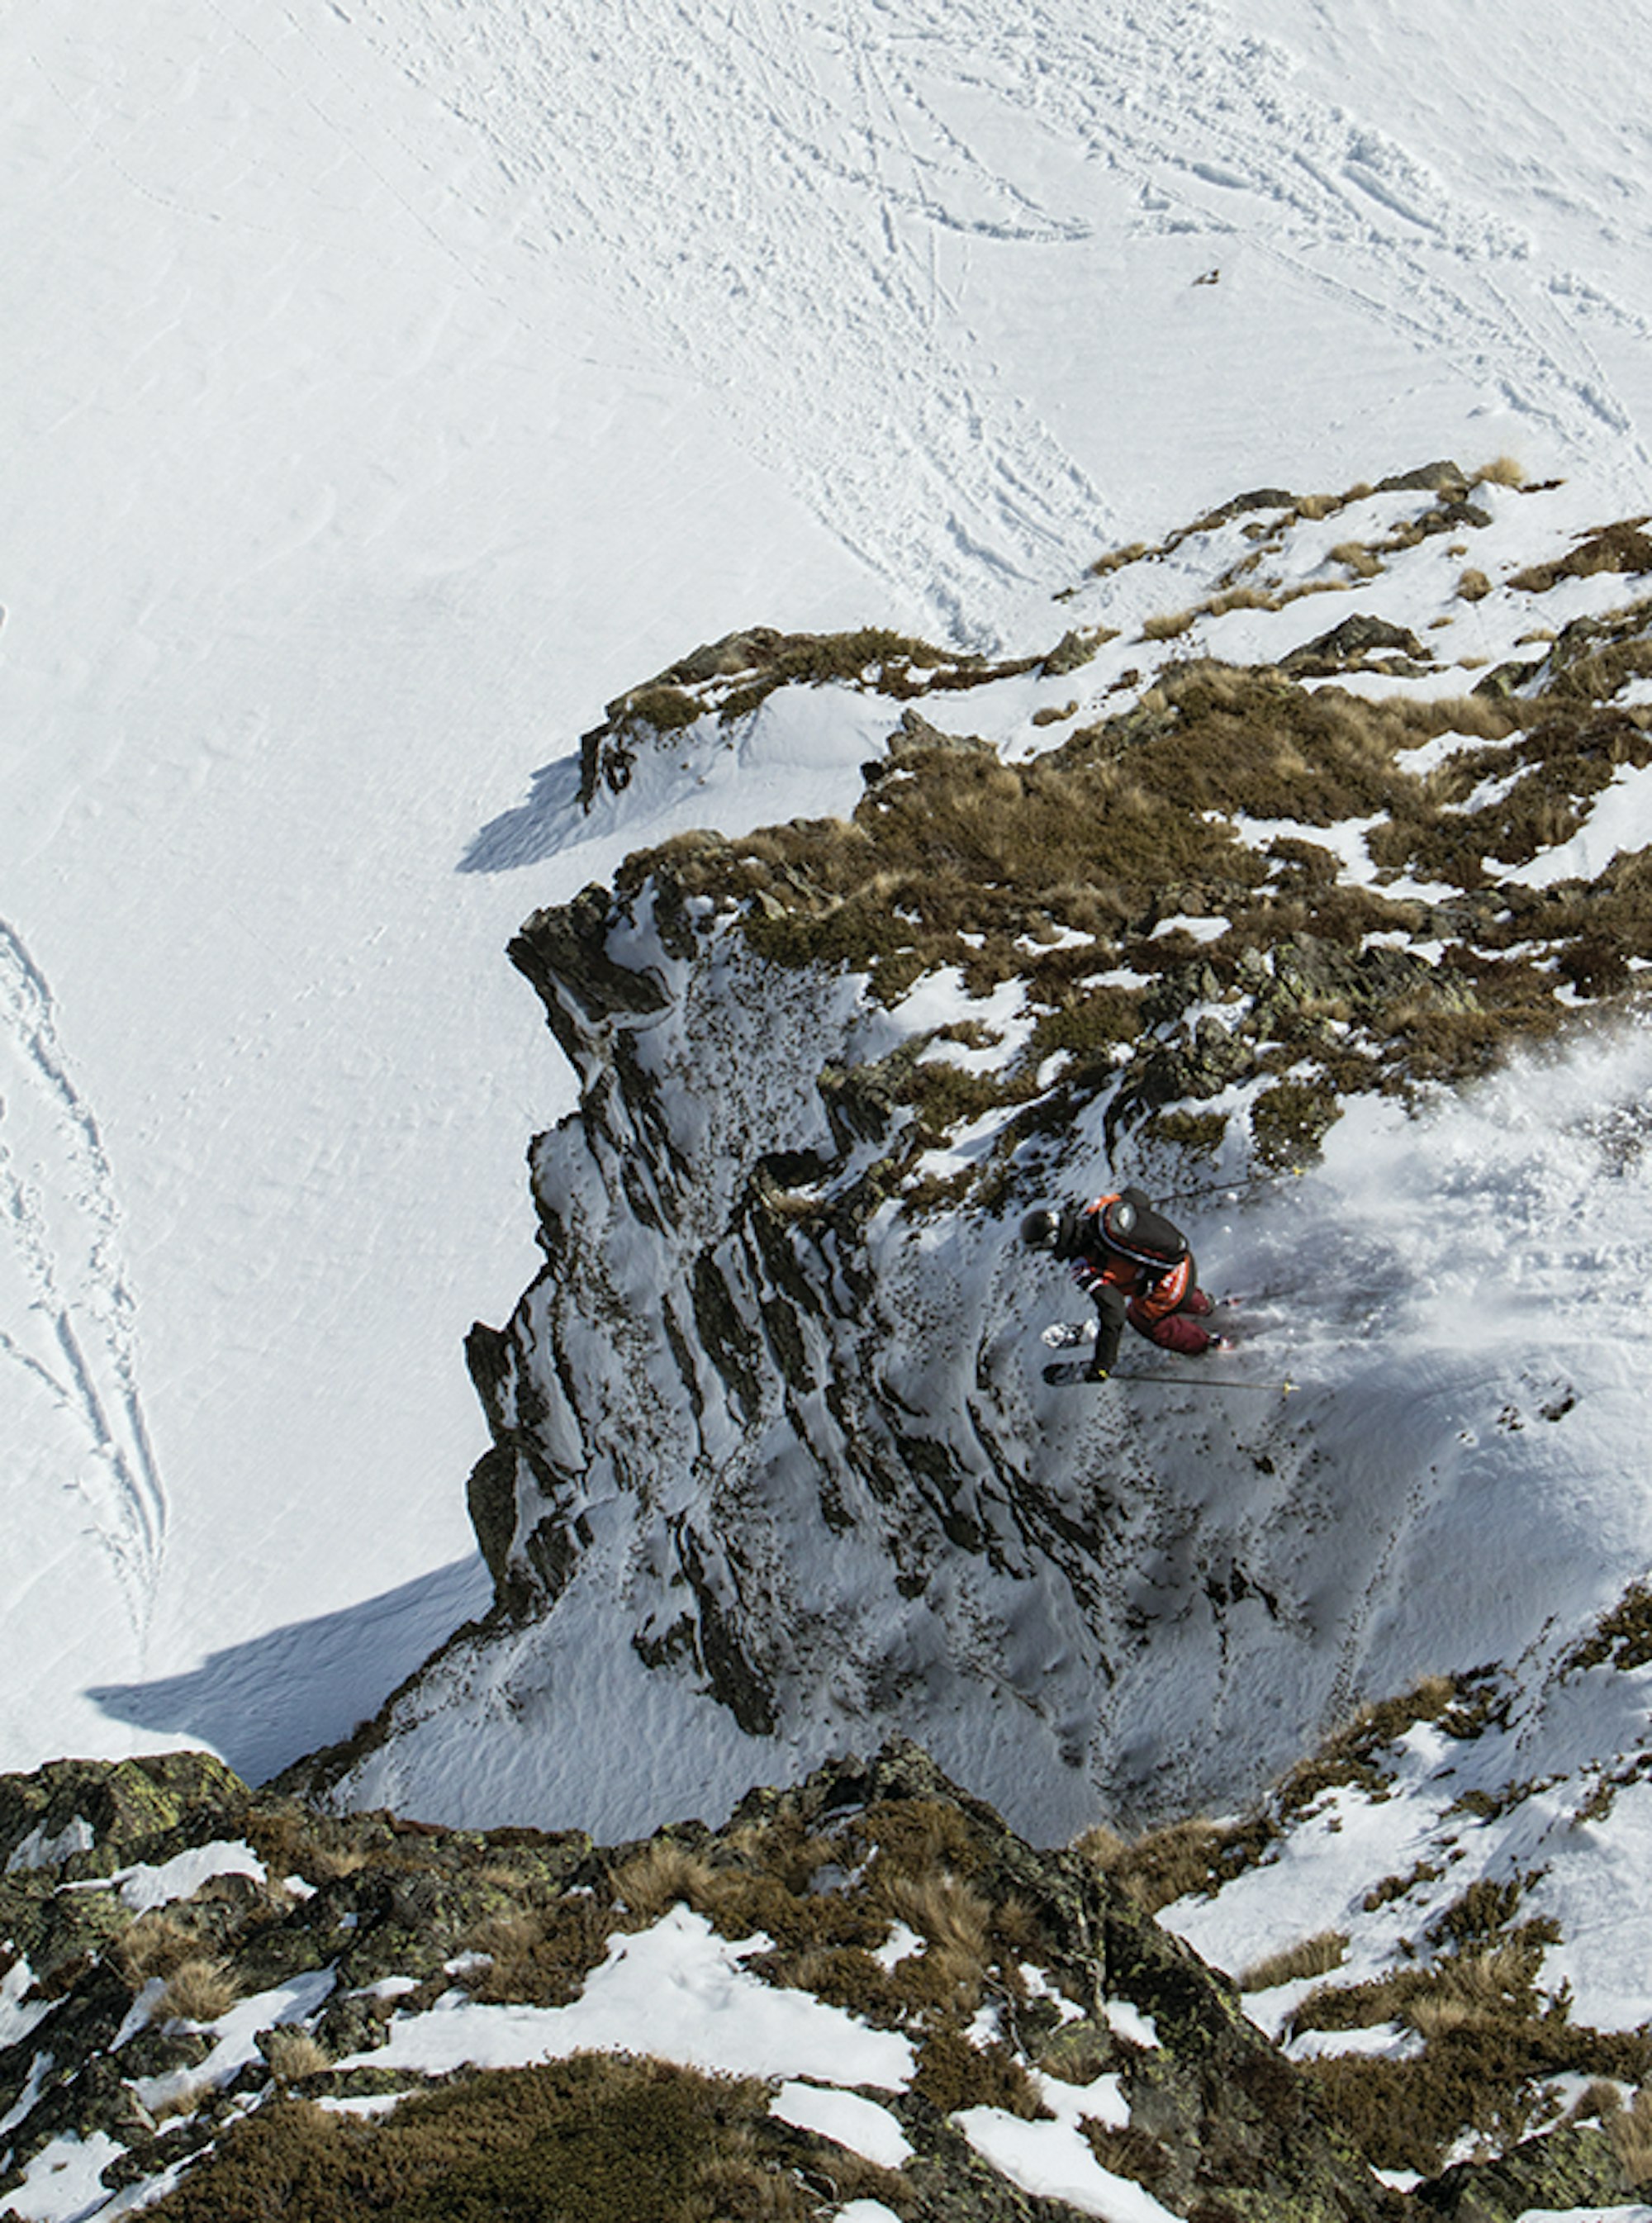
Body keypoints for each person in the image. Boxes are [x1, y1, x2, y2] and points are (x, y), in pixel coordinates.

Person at [1022, 1187, 1227, 1380]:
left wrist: (1103, 1364)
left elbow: (1114, 1312)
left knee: (1142, 1319)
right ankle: (1206, 1306)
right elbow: (1138, 1197)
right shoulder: (1098, 1207)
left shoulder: (1084, 1268)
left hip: (1170, 1288)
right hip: (1183, 1261)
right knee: (1155, 1285)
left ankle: (1207, 1346)